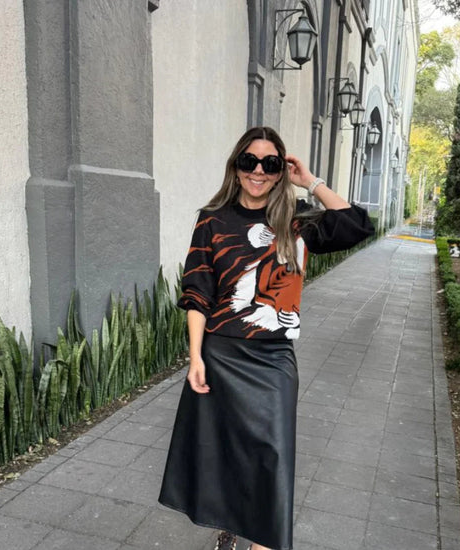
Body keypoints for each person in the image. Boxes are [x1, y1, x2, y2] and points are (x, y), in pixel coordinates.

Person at [158, 126, 375, 550]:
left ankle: (260, 537)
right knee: (226, 453)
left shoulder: (296, 220)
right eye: (249, 161)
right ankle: (233, 524)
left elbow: (357, 225)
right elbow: (198, 290)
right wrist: (195, 357)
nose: (258, 171)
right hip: (221, 355)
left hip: (274, 358)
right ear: (236, 166)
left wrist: (310, 181)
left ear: (280, 171)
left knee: (272, 459)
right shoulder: (212, 219)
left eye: (270, 164)